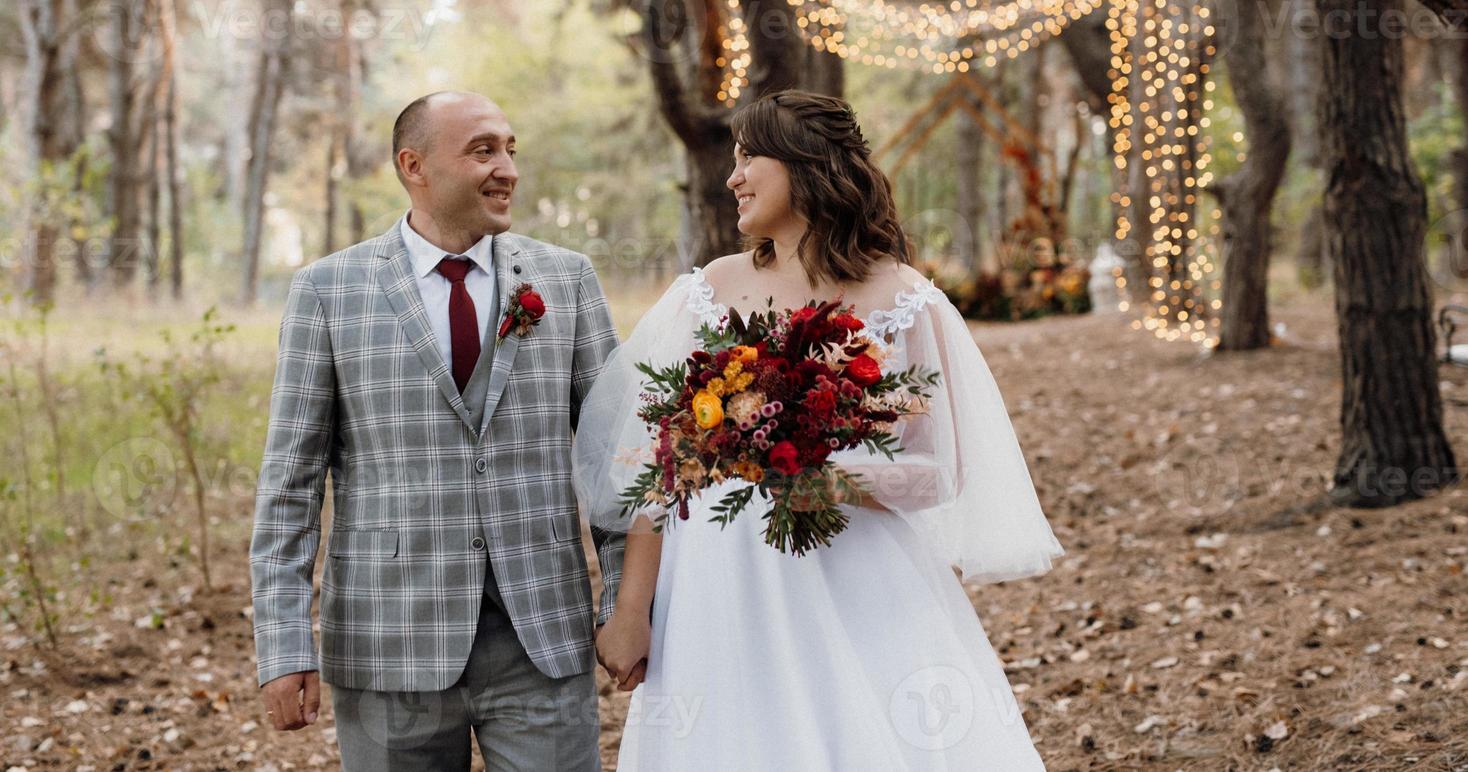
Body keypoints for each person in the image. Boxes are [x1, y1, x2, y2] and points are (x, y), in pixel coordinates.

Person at [575, 89, 1065, 770]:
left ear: (806, 165)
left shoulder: (902, 297)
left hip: (855, 575)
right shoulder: (710, 289)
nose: (732, 178)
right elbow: (662, 468)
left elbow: (937, 470)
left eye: (750, 158)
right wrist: (630, 611)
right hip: (718, 578)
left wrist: (820, 475)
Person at [250, 90, 623, 770]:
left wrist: (626, 604)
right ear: (414, 165)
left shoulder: (566, 281)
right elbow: (291, 482)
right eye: (483, 150)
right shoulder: (328, 291)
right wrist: (283, 645)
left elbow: (617, 461)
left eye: (511, 149)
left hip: (539, 636)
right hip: (386, 642)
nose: (506, 167)